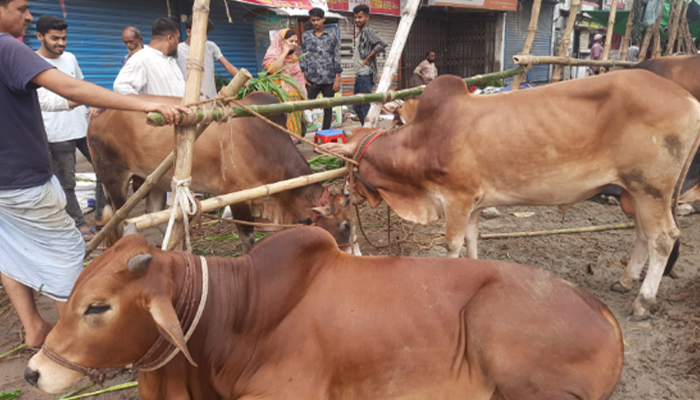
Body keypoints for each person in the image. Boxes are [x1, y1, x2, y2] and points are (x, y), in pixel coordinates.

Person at [0, 0, 185, 347]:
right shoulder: (6, 46)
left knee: (8, 249)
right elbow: (69, 87)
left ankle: (34, 328)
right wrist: (146, 104)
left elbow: (50, 98)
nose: (28, 17)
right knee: (68, 254)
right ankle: (79, 342)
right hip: (24, 180)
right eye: (22, 8)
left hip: (3, 185)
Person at [34, 15, 104, 241]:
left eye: (64, 38)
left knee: (104, 170)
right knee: (67, 184)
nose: (61, 43)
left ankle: (102, 215)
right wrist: (87, 96)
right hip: (56, 134)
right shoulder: (32, 63)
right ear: (39, 36)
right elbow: (48, 102)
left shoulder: (71, 58)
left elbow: (80, 85)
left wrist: (92, 102)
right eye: (55, 38)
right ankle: (79, 223)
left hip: (83, 129)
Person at [114, 18, 185, 96]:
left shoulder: (171, 60)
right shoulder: (141, 59)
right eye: (177, 38)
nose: (178, 43)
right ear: (170, 39)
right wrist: (150, 105)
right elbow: (120, 87)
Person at [176, 17, 239, 99]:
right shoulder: (178, 50)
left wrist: (243, 79)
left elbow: (228, 66)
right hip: (188, 100)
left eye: (206, 34)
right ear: (188, 32)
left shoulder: (211, 46)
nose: (205, 37)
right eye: (201, 33)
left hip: (210, 99)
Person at [301, 7, 342, 131]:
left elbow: (337, 57)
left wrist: (337, 79)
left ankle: (326, 132)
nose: (315, 23)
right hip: (311, 79)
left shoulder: (331, 37)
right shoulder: (306, 36)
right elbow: (303, 56)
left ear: (323, 19)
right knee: (305, 106)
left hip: (328, 79)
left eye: (318, 20)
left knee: (328, 109)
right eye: (313, 20)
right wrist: (302, 76)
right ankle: (300, 132)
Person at [263, 28, 307, 138]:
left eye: (296, 42)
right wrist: (283, 52)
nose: (294, 44)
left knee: (294, 131)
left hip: (294, 98)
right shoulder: (273, 54)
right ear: (282, 41)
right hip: (279, 97)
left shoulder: (294, 58)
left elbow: (298, 78)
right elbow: (273, 70)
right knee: (281, 130)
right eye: (291, 41)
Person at [352, 4, 387, 125]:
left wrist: (369, 57)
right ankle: (366, 128)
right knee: (357, 107)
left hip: (365, 75)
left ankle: (369, 131)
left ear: (367, 17)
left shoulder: (368, 31)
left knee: (364, 106)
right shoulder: (360, 33)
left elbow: (382, 43)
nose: (357, 20)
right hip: (359, 74)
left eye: (360, 17)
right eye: (355, 17)